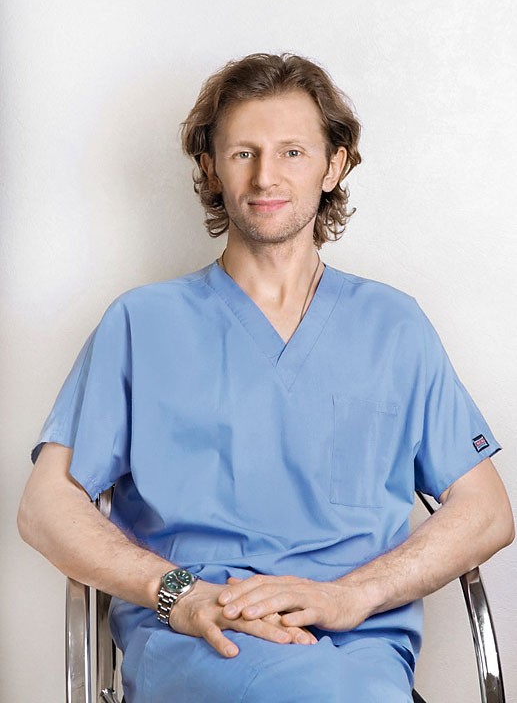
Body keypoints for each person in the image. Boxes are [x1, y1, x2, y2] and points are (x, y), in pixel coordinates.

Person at [18, 53, 514, 703]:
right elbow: (45, 506)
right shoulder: (141, 324)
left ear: (333, 165)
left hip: (356, 647)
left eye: (292, 152)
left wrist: (351, 594)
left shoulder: (393, 327)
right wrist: (177, 593)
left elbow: (485, 511)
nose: (265, 176)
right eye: (243, 153)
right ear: (210, 168)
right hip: (201, 636)